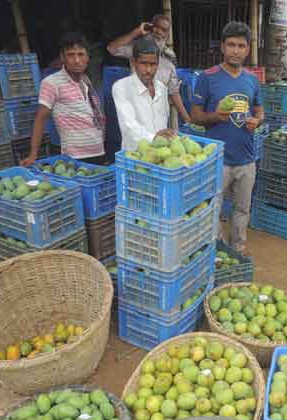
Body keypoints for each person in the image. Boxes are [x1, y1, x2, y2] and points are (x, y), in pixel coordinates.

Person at [191, 22, 264, 256]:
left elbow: (259, 109)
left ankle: (238, 248)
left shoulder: (252, 79)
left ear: (248, 49)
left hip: (246, 157)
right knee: (213, 209)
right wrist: (215, 116)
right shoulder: (207, 77)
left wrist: (257, 120)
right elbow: (195, 116)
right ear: (222, 46)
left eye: (241, 45)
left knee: (242, 208)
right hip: (218, 159)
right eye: (231, 44)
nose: (235, 50)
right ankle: (215, 251)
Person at [21, 32, 106, 166]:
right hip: (73, 159)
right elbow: (40, 118)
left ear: (88, 57)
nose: (77, 60)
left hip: (98, 154)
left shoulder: (86, 81)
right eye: (71, 55)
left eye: (81, 54)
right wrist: (33, 155)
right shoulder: (52, 83)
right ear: (62, 57)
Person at [107, 15, 190, 124]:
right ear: (150, 27)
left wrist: (188, 119)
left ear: (167, 34)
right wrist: (137, 31)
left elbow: (173, 91)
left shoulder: (169, 56)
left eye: (163, 30)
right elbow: (112, 48)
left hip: (159, 116)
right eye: (157, 27)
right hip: (137, 114)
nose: (159, 32)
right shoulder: (137, 48)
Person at [111, 37, 175, 152]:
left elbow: (164, 121)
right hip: (135, 157)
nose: (149, 70)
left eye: (153, 64)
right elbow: (128, 126)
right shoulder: (121, 87)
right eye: (144, 63)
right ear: (134, 62)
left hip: (160, 156)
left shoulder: (162, 88)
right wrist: (154, 138)